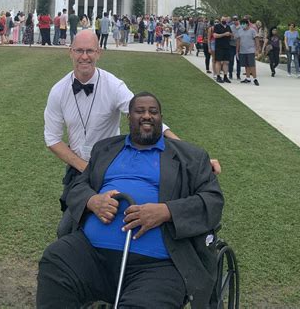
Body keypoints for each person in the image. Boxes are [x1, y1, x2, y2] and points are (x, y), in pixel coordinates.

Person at [37, 92, 224, 309]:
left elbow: (213, 201)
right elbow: (78, 185)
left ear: (161, 118)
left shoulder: (191, 156)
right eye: (139, 111)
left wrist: (166, 211)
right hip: (91, 255)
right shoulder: (105, 149)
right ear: (129, 117)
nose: (146, 116)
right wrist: (92, 201)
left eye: (153, 112)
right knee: (55, 260)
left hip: (157, 266)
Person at [44, 31, 221, 238]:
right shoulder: (58, 91)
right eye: (80, 51)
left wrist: (193, 158)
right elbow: (52, 139)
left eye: (90, 50)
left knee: (117, 220)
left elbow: (146, 118)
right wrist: (84, 167)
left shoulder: (113, 85)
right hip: (78, 167)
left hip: (109, 166)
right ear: (70, 52)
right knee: (66, 229)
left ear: (98, 53)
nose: (85, 56)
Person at [236, 19, 259, 85]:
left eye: (243, 24)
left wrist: (257, 50)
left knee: (252, 65)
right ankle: (248, 78)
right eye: (241, 24)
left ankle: (255, 78)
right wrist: (237, 51)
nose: (242, 25)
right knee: (246, 65)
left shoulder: (252, 30)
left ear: (247, 24)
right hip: (242, 51)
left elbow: (256, 40)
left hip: (250, 50)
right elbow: (238, 41)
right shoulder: (240, 31)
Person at [213, 16, 232, 83]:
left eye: (225, 19)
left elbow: (231, 34)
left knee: (226, 62)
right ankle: (218, 76)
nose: (224, 20)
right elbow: (215, 35)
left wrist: (230, 34)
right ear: (220, 20)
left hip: (227, 46)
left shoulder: (228, 27)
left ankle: (225, 76)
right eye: (223, 19)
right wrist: (224, 34)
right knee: (218, 61)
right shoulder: (217, 26)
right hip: (219, 47)